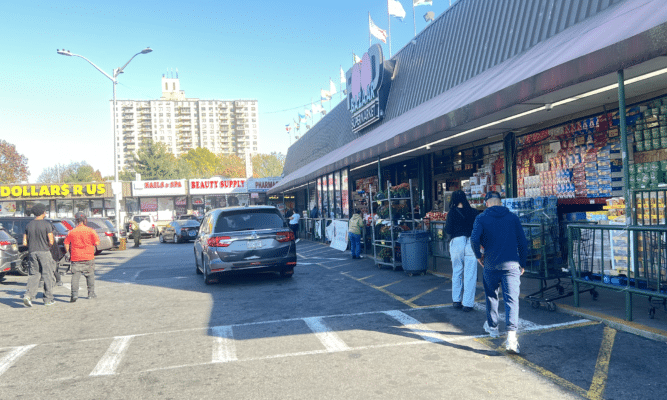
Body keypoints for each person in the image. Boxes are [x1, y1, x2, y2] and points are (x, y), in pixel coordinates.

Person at [470, 191, 528, 354]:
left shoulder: (481, 218)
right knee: (511, 300)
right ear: (501, 203)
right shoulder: (512, 218)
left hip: (490, 263)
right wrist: (522, 262)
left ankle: (493, 328)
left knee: (491, 296)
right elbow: (522, 241)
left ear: (487, 203)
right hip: (511, 265)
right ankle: (511, 339)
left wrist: (478, 256)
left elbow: (474, 239)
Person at [444, 190, 479, 312]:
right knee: (470, 273)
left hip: (457, 242)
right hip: (471, 243)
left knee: (457, 271)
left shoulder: (452, 213)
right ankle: (468, 304)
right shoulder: (474, 212)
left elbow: (448, 230)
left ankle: (456, 301)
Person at [22, 204, 57, 307]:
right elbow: (51, 240)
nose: (46, 213)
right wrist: (47, 246)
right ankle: (48, 299)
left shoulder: (28, 225)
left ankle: (28, 296)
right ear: (42, 212)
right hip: (44, 252)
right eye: (45, 211)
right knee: (47, 275)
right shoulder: (47, 224)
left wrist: (33, 245)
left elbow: (24, 242)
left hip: (32, 252)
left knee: (34, 275)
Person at [64, 212, 100, 302]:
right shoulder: (91, 230)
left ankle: (74, 294)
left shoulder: (72, 232)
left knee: (75, 277)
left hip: (75, 257)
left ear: (76, 221)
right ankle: (91, 293)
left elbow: (66, 243)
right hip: (89, 257)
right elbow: (97, 243)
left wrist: (68, 252)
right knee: (90, 275)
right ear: (85, 220)